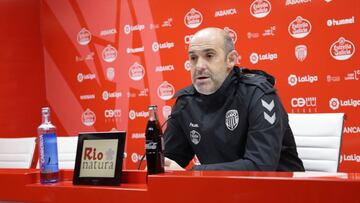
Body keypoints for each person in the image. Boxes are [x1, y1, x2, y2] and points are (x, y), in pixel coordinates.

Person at [163, 27, 305, 171]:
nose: (199, 66)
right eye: (193, 58)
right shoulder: (185, 103)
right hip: (223, 191)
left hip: (280, 189)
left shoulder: (259, 94)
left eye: (209, 56)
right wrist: (161, 166)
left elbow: (261, 166)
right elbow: (170, 159)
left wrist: (196, 173)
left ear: (231, 59)